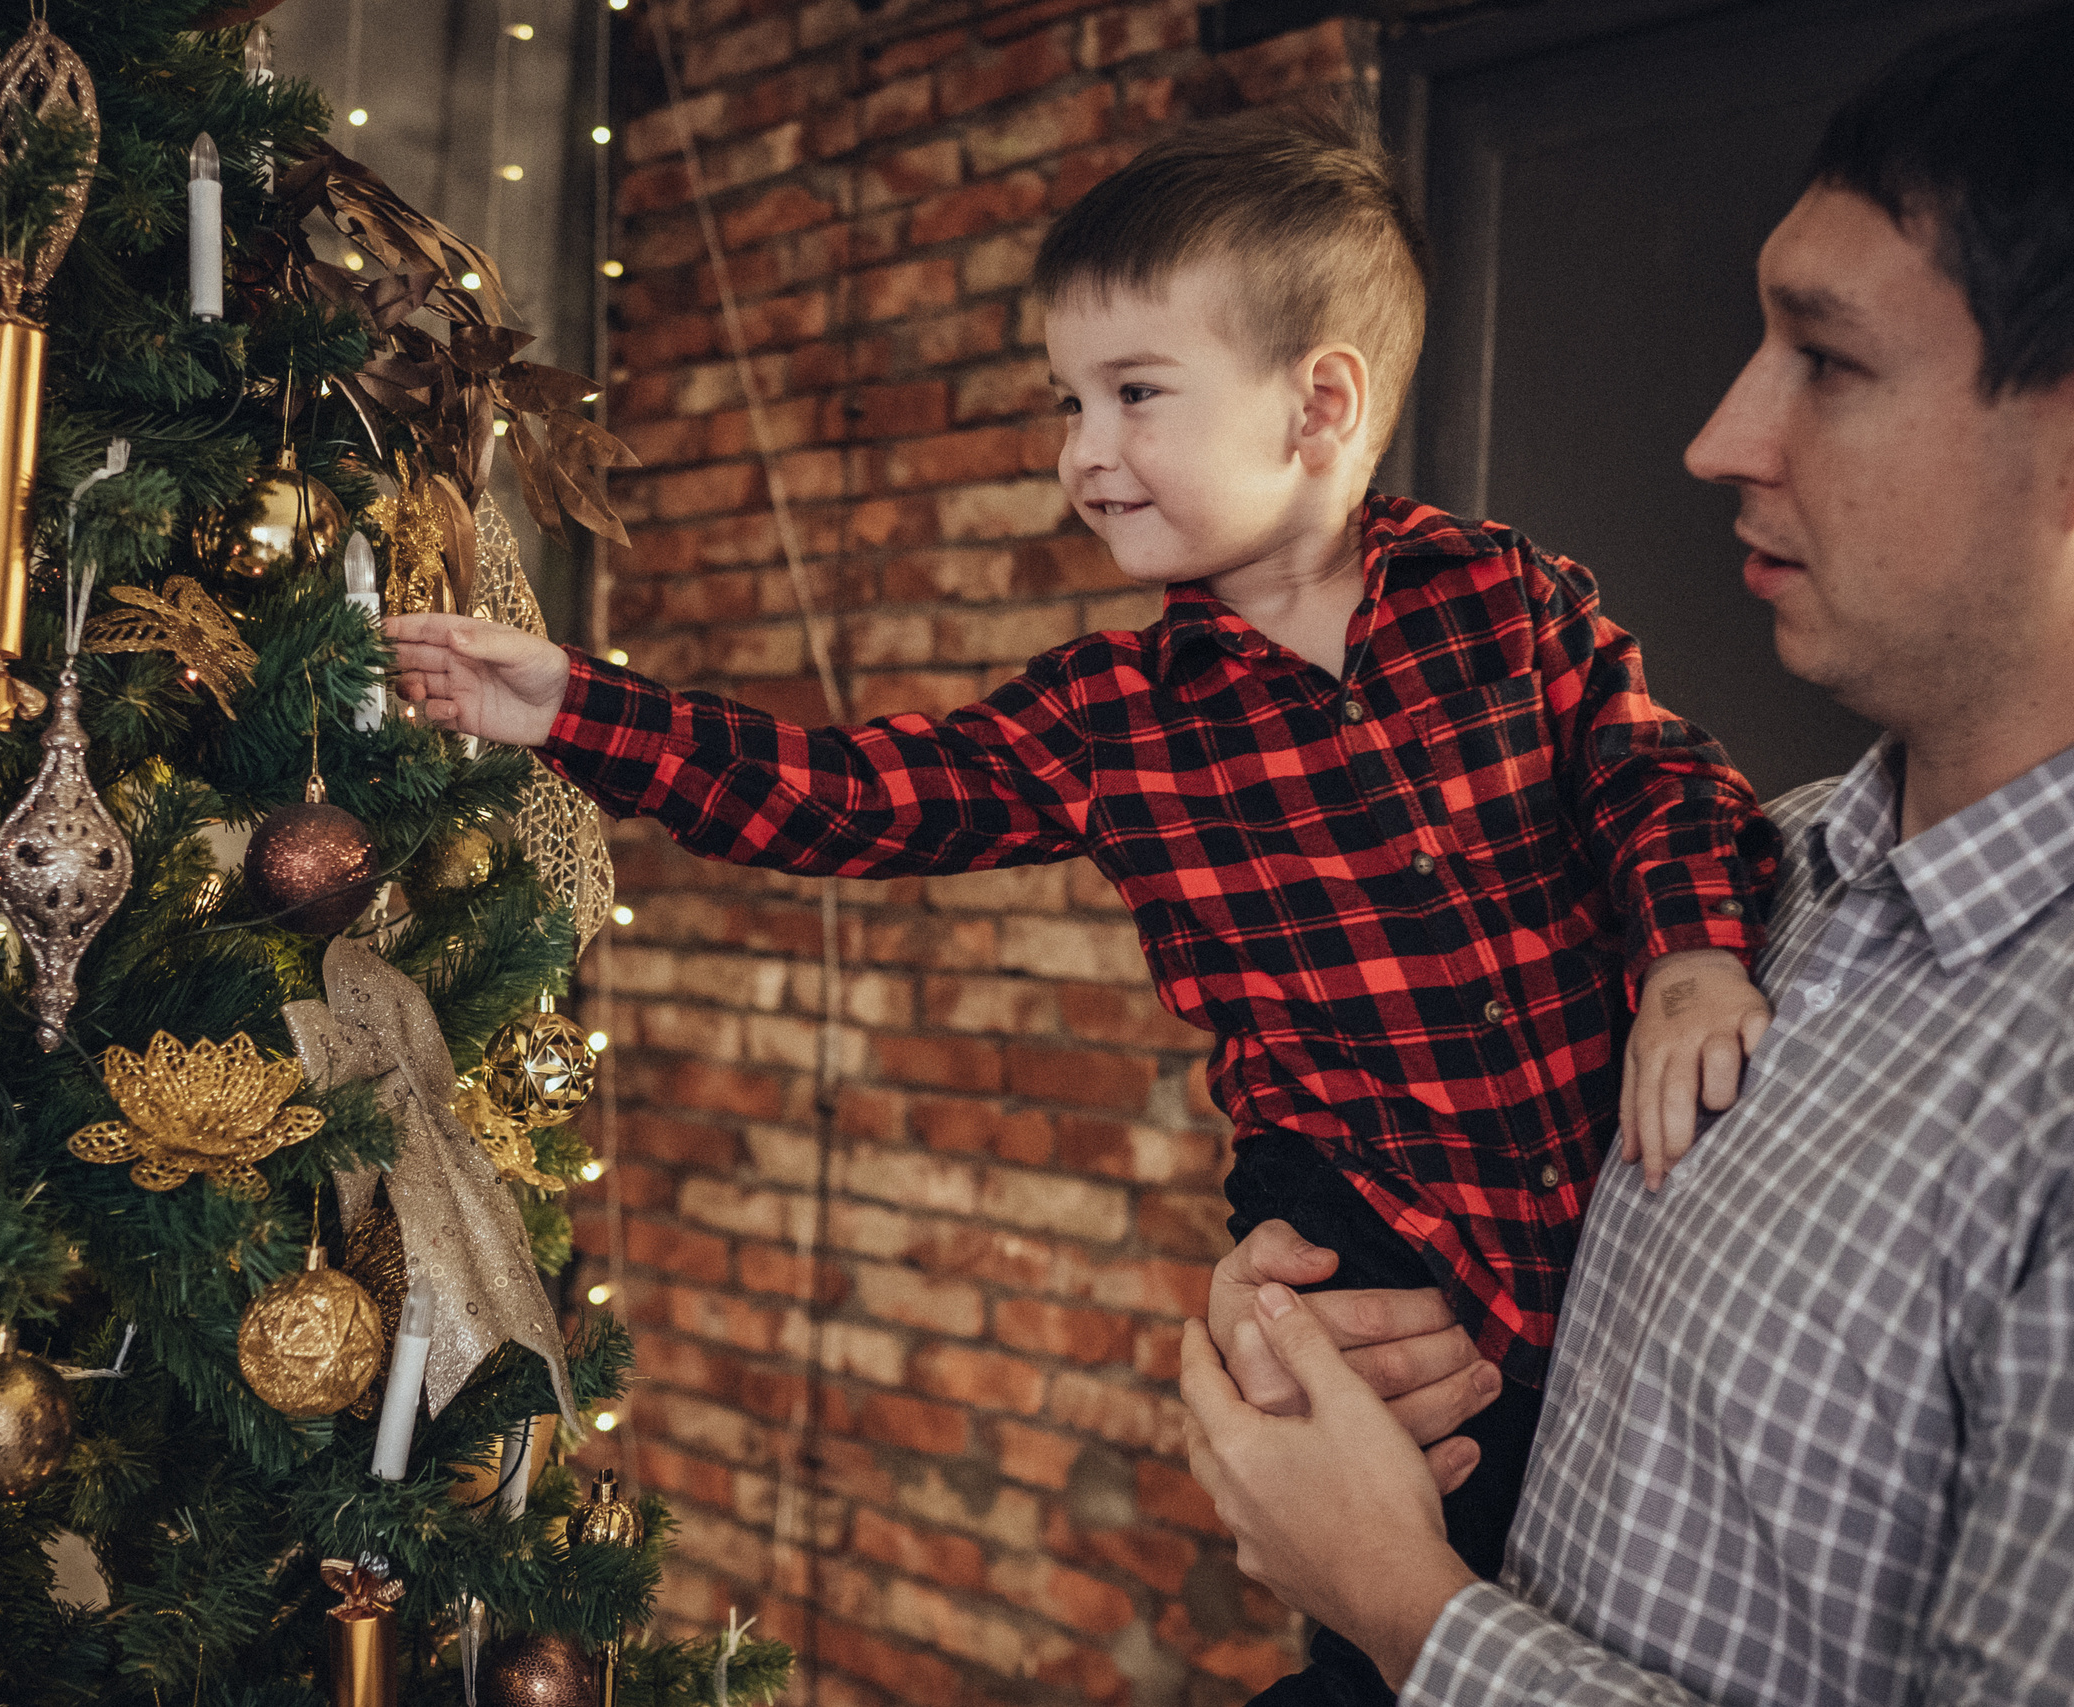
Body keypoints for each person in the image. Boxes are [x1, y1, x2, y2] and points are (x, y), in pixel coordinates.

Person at [389, 105, 1778, 1698]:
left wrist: (1688, 957)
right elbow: (851, 800)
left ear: (1318, 404)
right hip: (1367, 1258)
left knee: (1621, 1611)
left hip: (1612, 1241)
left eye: (1134, 395)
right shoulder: (1115, 714)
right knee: (1397, 1635)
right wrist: (574, 703)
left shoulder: (1504, 597)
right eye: (1067, 401)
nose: (1080, 454)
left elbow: (1656, 778)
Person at [1181, 9, 2074, 1702]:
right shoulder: (1748, 882)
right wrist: (1348, 1313)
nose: (1722, 436)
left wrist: (1402, 1604)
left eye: (1831, 357)